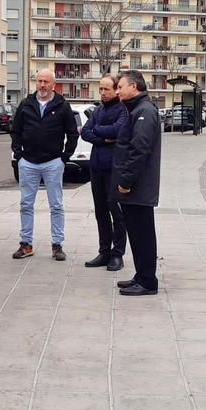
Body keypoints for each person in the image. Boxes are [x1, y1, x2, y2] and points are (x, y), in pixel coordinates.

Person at [10, 68, 78, 261]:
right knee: (25, 204)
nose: (42, 85)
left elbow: (72, 133)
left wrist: (64, 158)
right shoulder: (26, 104)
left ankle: (57, 245)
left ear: (53, 84)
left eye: (46, 82)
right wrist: (19, 154)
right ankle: (26, 244)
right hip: (28, 163)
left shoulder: (62, 106)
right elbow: (16, 131)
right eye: (39, 81)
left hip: (52, 163)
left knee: (56, 205)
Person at [112, 70, 162, 296]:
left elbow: (139, 150)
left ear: (134, 86)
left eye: (121, 86)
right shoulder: (137, 109)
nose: (118, 91)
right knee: (137, 233)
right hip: (135, 187)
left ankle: (147, 281)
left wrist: (126, 181)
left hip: (138, 188)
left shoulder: (145, 111)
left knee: (143, 234)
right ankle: (141, 275)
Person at [79, 75, 127, 271]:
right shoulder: (98, 110)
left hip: (114, 169)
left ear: (116, 90)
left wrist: (98, 132)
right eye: (100, 89)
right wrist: (102, 138)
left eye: (106, 89)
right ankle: (104, 251)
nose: (103, 93)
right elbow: (85, 132)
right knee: (100, 212)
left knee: (117, 212)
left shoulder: (123, 110)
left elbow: (118, 130)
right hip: (96, 167)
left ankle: (118, 254)